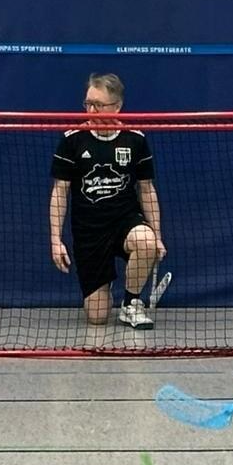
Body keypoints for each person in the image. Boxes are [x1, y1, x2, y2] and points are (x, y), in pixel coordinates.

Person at [50, 73, 166, 329]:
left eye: (98, 105)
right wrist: (55, 240)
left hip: (125, 221)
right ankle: (107, 282)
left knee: (145, 241)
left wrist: (157, 235)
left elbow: (147, 190)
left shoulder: (135, 138)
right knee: (98, 317)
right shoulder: (72, 139)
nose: (91, 110)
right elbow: (60, 191)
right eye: (87, 103)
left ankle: (131, 303)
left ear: (117, 107)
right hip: (90, 232)